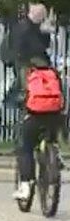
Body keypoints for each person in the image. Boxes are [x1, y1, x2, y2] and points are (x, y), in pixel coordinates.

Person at [14, 55, 67, 200]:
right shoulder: (54, 74)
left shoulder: (27, 72)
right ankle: (55, 154)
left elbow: (20, 96)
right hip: (54, 116)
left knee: (25, 148)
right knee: (52, 133)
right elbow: (62, 97)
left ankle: (25, 185)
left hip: (35, 115)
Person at [3, 3, 54, 106]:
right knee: (25, 87)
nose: (43, 18)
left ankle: (13, 101)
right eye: (42, 16)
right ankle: (15, 102)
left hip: (25, 62)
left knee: (22, 86)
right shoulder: (26, 28)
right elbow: (37, 48)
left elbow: (42, 46)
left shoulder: (30, 27)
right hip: (24, 62)